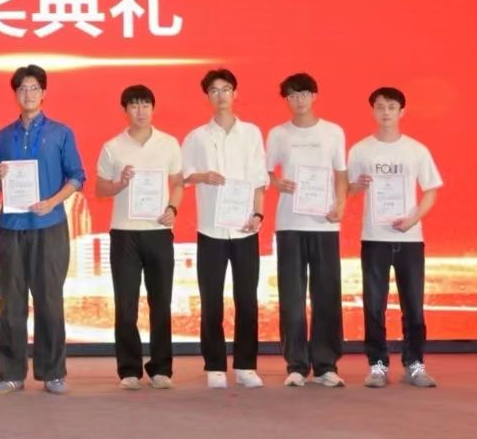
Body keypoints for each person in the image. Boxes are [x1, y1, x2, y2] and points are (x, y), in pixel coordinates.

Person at [0, 65, 86, 394]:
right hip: (11, 226)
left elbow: (77, 177)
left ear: (43, 93)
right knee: (10, 300)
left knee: (49, 299)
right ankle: (10, 373)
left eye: (33, 88)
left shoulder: (61, 133)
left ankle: (53, 372)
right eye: (22, 89)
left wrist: (52, 202)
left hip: (49, 226)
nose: (28, 94)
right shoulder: (3, 135)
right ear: (15, 94)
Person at [348, 86, 444, 389]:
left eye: (391, 107)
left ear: (402, 112)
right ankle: (377, 364)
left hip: (410, 238)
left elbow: (431, 190)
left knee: (413, 305)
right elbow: (348, 190)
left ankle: (415, 363)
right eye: (380, 107)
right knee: (374, 305)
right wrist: (358, 186)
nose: (386, 112)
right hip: (374, 237)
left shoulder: (416, 150)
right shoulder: (361, 150)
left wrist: (414, 218)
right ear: (372, 111)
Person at [180, 68, 268, 389]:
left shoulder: (251, 133)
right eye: (214, 90)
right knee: (211, 300)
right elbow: (183, 176)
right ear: (207, 96)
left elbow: (259, 179)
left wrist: (258, 214)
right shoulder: (196, 137)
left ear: (235, 93)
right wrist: (203, 176)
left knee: (247, 300)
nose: (221, 95)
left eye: (226, 89)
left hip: (245, 228)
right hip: (211, 230)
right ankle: (215, 365)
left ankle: (246, 365)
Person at [94, 84, 185, 389]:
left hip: (159, 231)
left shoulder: (169, 143)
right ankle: (129, 369)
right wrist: (120, 183)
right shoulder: (113, 147)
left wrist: (172, 208)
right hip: (124, 233)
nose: (141, 111)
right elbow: (100, 189)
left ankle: (161, 368)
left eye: (146, 104)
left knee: (161, 303)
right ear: (125, 110)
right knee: (126, 305)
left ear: (153, 108)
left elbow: (178, 183)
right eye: (134, 105)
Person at [266, 73, 349, 389]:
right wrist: (277, 183)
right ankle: (297, 365)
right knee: (292, 297)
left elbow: (341, 175)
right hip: (289, 223)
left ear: (314, 96)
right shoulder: (278, 134)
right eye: (291, 95)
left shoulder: (333, 132)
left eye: (303, 94)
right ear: (286, 100)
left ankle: (326, 364)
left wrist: (340, 205)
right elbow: (264, 172)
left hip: (325, 222)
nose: (298, 100)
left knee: (327, 294)